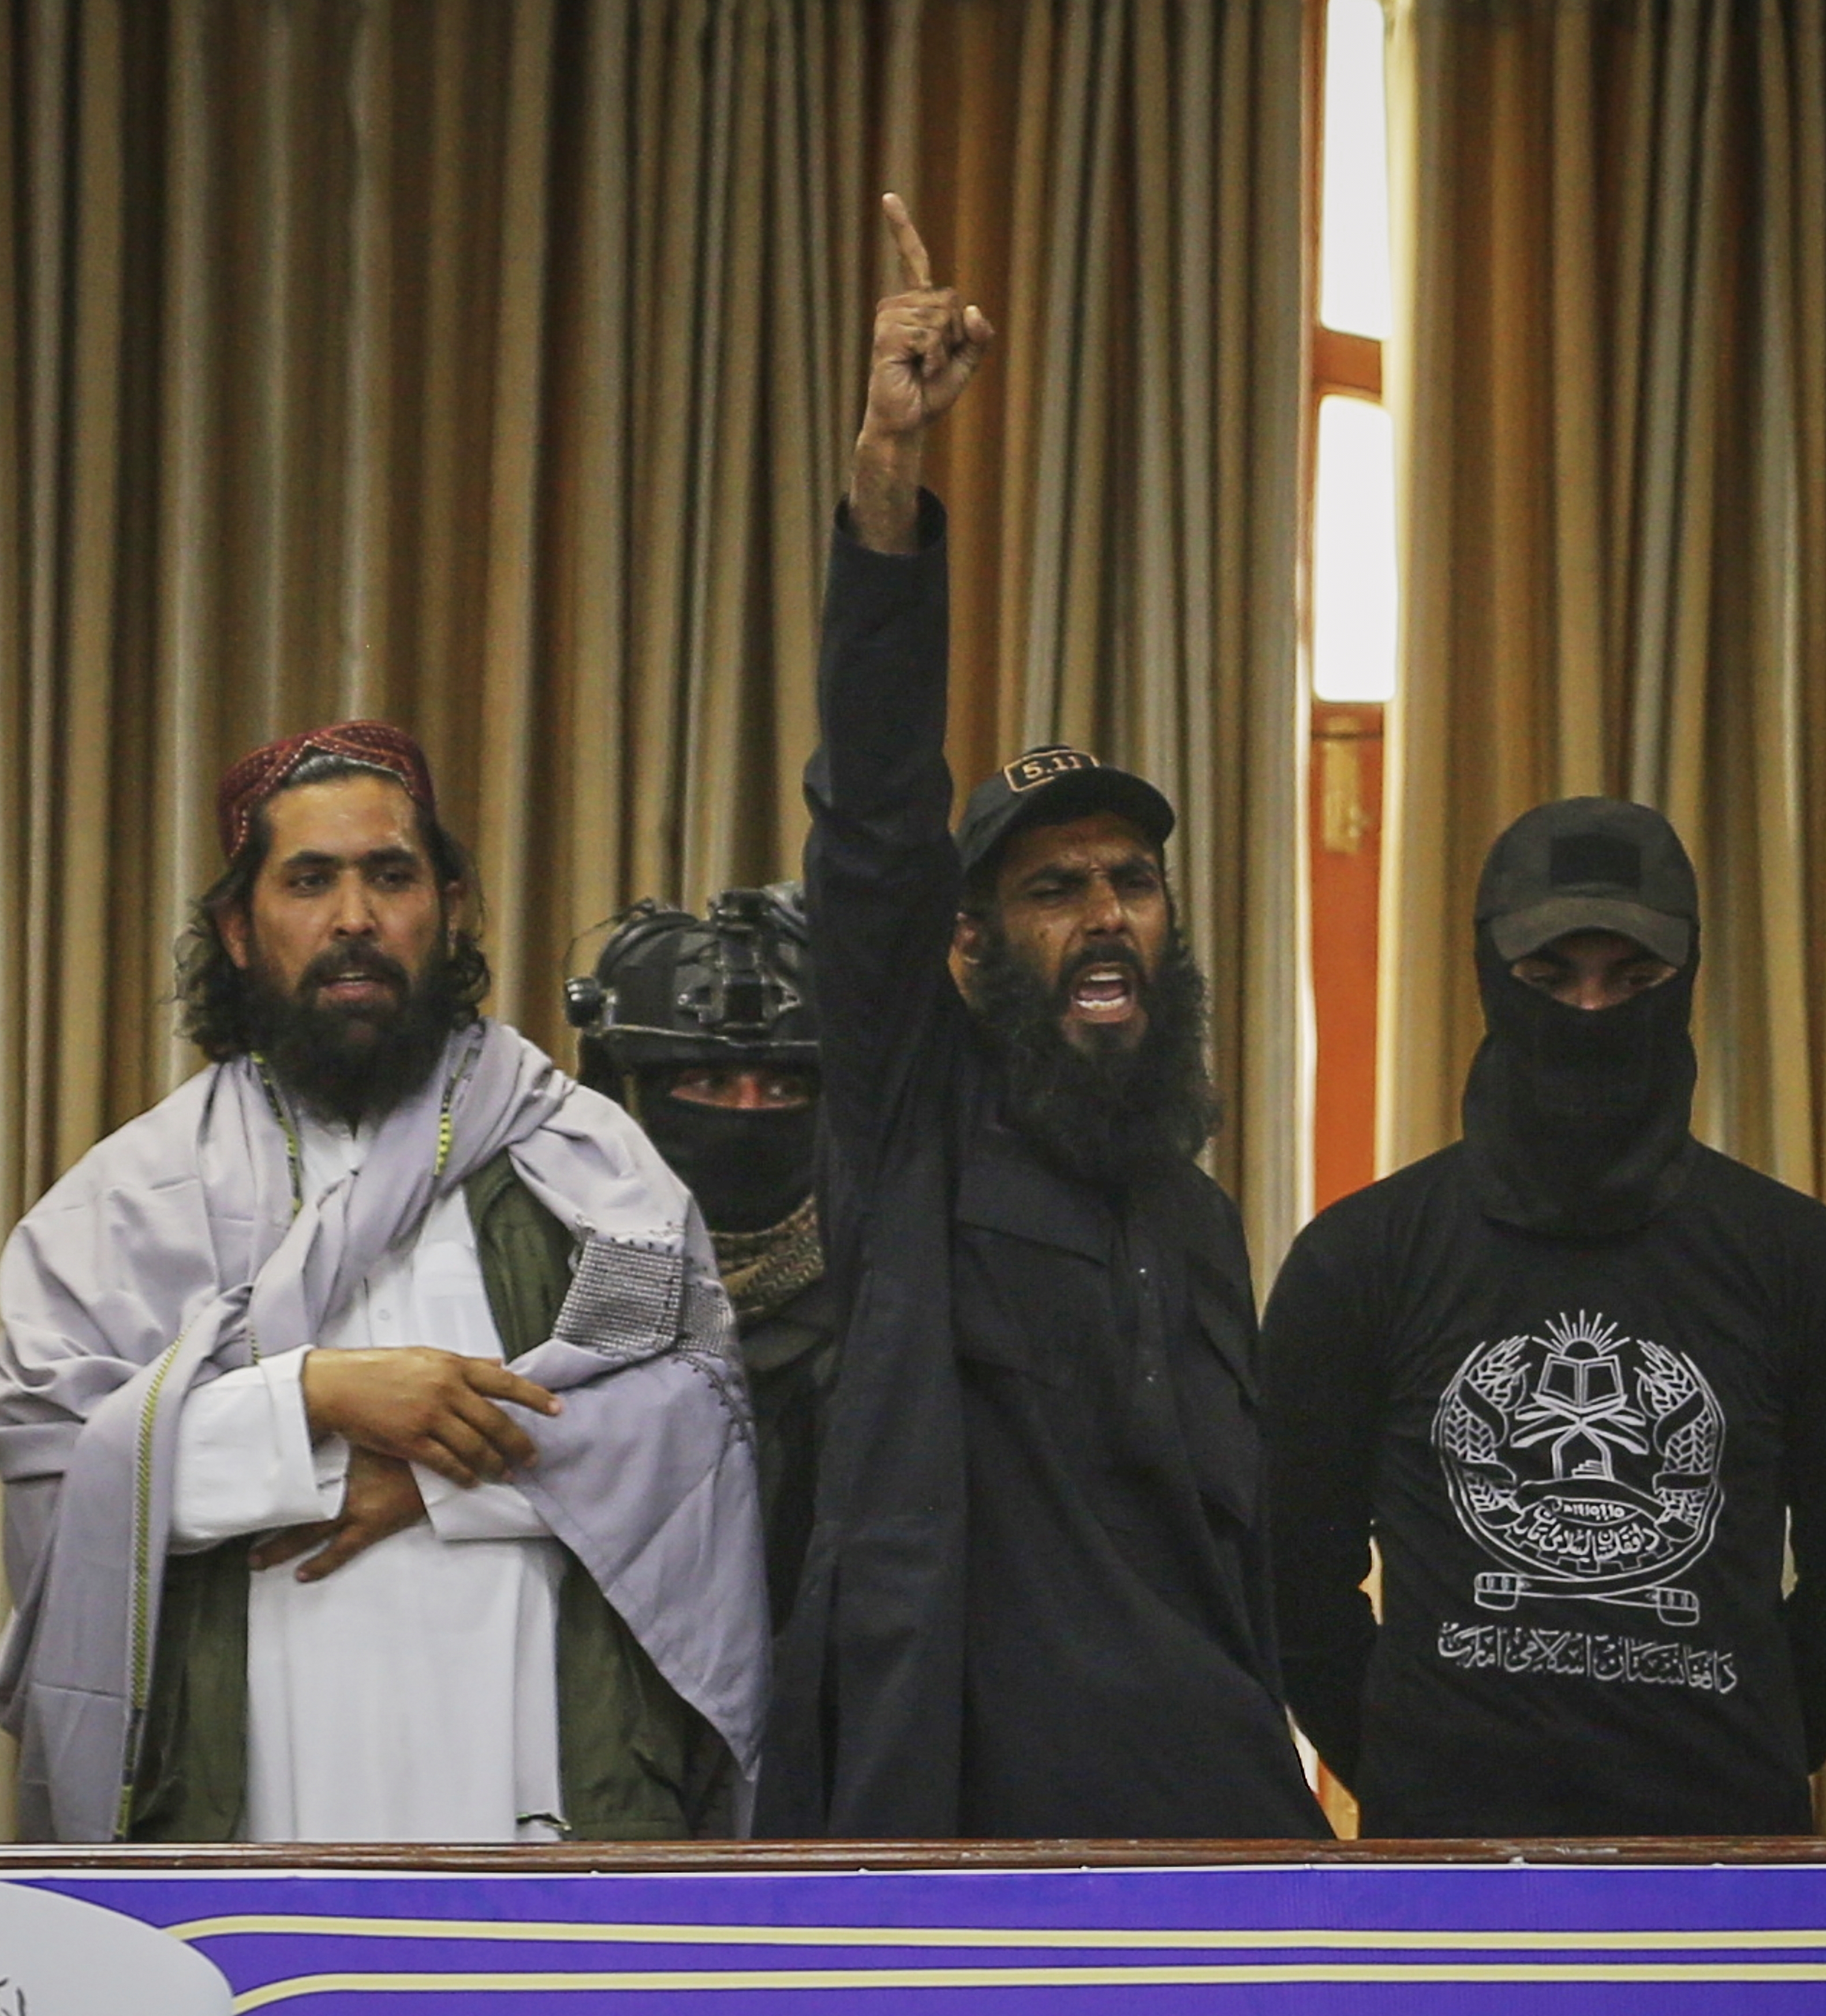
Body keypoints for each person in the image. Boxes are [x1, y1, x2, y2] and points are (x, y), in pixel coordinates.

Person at [765, 196, 1326, 1840]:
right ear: (966, 946)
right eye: (1052, 886)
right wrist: (887, 473)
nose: (1103, 915)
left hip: (1209, 1835)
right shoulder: (913, 1131)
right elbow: (875, 819)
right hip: (954, 1840)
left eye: (1131, 881)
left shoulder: (1198, 1220)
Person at [0, 722, 765, 1845]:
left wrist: (430, 1485)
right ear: (239, 930)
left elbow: (686, 1427)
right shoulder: (126, 1203)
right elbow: (59, 1466)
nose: (354, 918)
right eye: (310, 881)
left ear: (450, 908)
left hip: (537, 1783)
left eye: (390, 877)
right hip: (251, 1810)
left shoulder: (588, 1168)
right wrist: (312, 1397)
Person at [1265, 797, 1826, 1836]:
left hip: (1724, 1863)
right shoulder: (1359, 1260)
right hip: (1445, 1868)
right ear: (1490, 975)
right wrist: (1408, 1763)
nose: (1589, 1010)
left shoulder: (1799, 1260)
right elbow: (1290, 1583)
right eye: (1548, 978)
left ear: (1687, 976)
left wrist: (1740, 1747)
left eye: (1634, 979)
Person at [567, 884, 837, 1627]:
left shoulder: (887, 1299)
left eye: (782, 1086)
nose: (747, 1113)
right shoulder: (555, 1280)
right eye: (709, 1083)